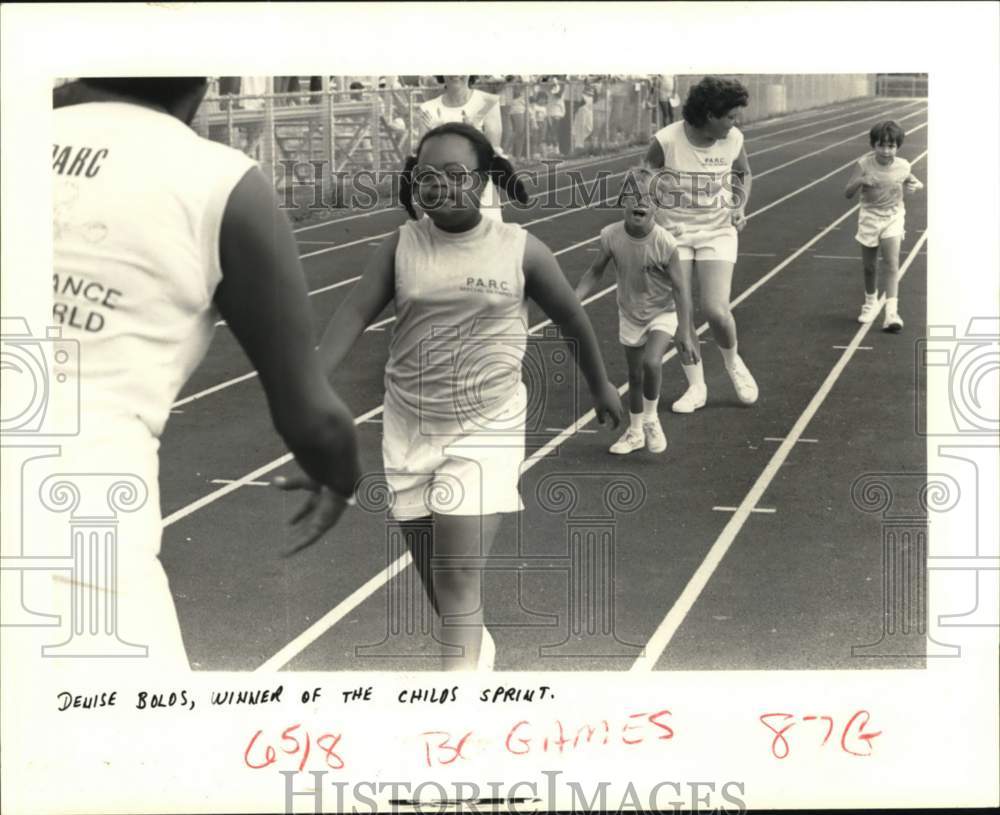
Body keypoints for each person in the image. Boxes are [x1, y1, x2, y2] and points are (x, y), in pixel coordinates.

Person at [50, 77, 361, 670]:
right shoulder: (222, 183)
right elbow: (313, 418)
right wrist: (336, 472)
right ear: (202, 80)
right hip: (80, 549)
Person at [315, 123, 622, 670]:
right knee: (438, 579)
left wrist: (599, 384)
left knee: (458, 577)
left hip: (486, 426)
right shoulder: (402, 245)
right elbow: (353, 313)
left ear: (484, 179)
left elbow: (572, 317)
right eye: (428, 176)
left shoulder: (520, 250)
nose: (441, 186)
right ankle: (476, 649)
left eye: (456, 175)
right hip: (409, 425)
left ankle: (458, 703)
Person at [645, 75, 758, 412]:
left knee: (716, 309)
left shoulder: (733, 139)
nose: (735, 123)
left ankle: (733, 362)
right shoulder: (667, 139)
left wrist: (739, 205)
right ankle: (697, 387)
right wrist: (654, 206)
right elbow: (646, 173)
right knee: (683, 314)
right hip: (675, 233)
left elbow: (744, 173)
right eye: (731, 117)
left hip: (717, 230)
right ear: (710, 114)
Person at [574, 168, 696, 454]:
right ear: (622, 201)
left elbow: (680, 288)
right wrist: (574, 298)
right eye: (633, 196)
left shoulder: (664, 242)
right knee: (635, 375)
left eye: (649, 198)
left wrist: (685, 331)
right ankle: (635, 431)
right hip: (630, 312)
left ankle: (652, 420)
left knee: (652, 363)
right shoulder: (611, 236)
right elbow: (595, 272)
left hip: (661, 311)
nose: (640, 202)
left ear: (658, 206)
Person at [844, 120, 923, 331]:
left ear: (897, 147)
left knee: (891, 263)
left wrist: (915, 185)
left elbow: (912, 180)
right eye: (881, 145)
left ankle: (891, 313)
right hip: (869, 216)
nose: (886, 151)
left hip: (893, 216)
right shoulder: (863, 164)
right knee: (870, 267)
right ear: (873, 145)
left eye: (891, 146)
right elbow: (848, 192)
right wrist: (861, 181)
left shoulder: (904, 165)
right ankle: (870, 303)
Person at [417, 76, 505, 220]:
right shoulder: (428, 108)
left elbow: (492, 152)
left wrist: (445, 130)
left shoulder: (487, 102)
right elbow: (423, 159)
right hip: (441, 190)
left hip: (477, 188)